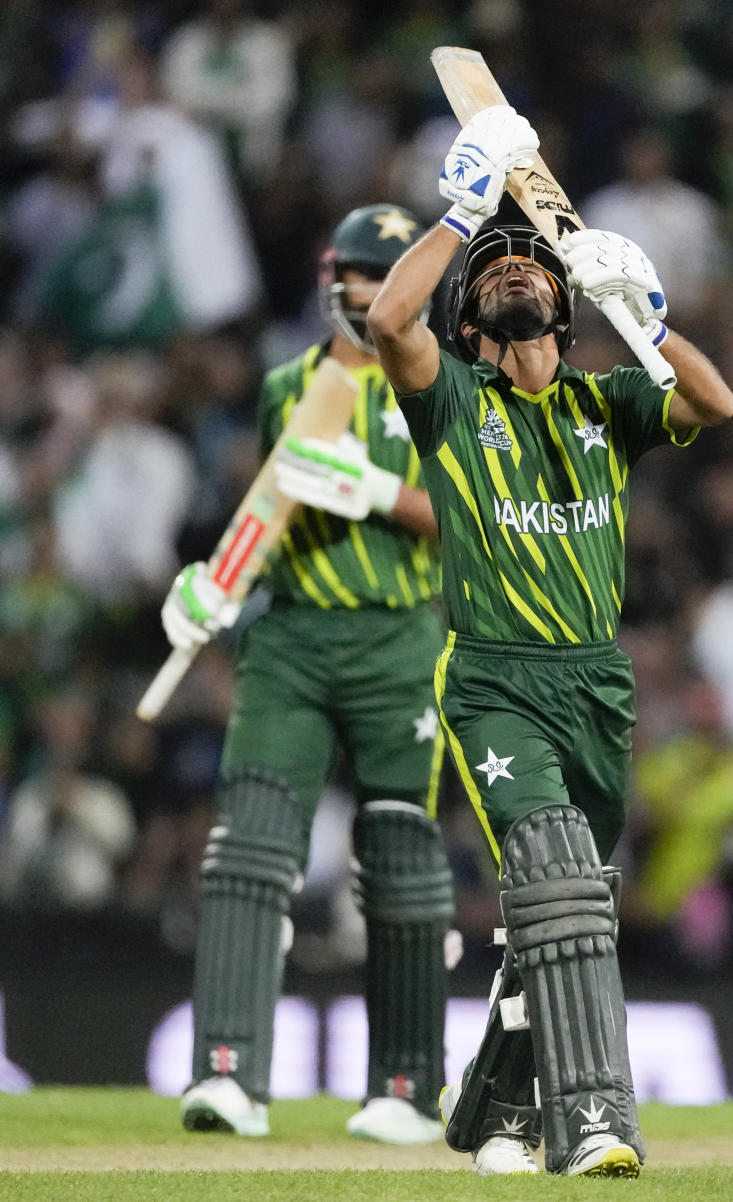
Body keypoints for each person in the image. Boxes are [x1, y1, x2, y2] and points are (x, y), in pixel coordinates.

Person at [366, 104, 733, 1177]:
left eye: (531, 270)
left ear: (566, 314)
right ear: (474, 323)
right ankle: (597, 1120)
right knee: (562, 884)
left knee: (562, 907)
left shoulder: (608, 402)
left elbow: (716, 402)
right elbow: (392, 325)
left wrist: (650, 320)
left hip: (597, 684)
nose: (513, 276)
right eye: (493, 277)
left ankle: (499, 1112)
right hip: (493, 680)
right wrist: (463, 208)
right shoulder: (452, 402)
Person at [159, 203, 455, 1144]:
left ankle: (406, 1088)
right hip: (290, 636)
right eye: (353, 277)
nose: (361, 295)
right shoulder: (289, 383)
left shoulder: (448, 387)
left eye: (380, 278)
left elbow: (475, 522)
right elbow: (261, 512)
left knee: (402, 860)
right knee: (248, 849)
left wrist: (377, 493)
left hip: (400, 638)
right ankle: (228, 1075)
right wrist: (210, 588)